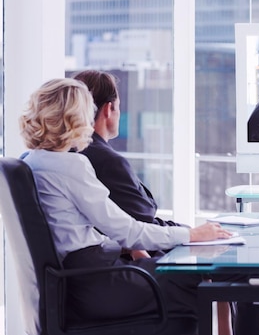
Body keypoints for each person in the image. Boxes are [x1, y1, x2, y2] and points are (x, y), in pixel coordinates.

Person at [19, 78, 259, 335]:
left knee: (188, 273)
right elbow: (127, 230)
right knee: (194, 277)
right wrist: (191, 234)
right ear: (75, 118)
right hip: (98, 282)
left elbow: (75, 230)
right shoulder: (71, 165)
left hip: (77, 281)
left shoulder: (31, 162)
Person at [73, 70, 237, 335]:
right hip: (114, 271)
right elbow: (137, 226)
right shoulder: (100, 159)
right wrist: (193, 234)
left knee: (220, 268)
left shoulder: (69, 157)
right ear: (109, 108)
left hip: (106, 263)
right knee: (227, 273)